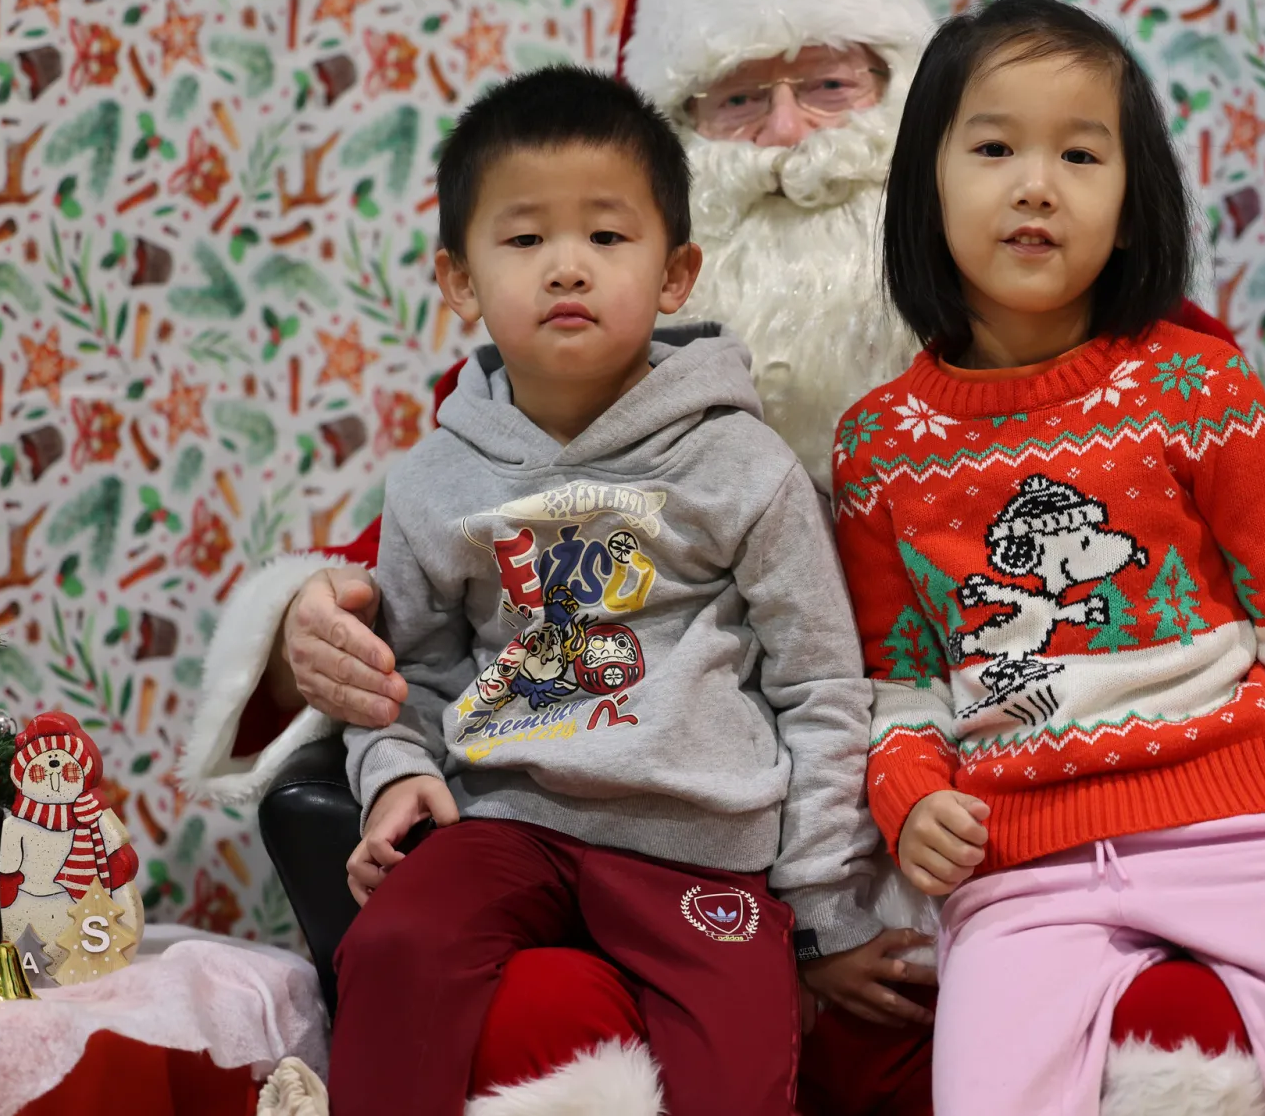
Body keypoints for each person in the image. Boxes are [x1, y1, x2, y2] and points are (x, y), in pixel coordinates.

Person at [183, 0, 1265, 1116]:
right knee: (531, 1009)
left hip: (1020, 857)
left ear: (909, 113)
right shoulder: (559, 367)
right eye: (736, 103)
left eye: (830, 85)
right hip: (692, 865)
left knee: (1195, 1025)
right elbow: (434, 578)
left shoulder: (1119, 346)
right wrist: (314, 625)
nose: (788, 140)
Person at [837, 0, 1265, 1114]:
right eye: (992, 148)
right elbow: (900, 685)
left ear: (1133, 206)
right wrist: (910, 797)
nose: (1035, 185)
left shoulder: (1199, 386)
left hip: (1248, 833)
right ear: (923, 190)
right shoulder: (877, 446)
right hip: (1021, 876)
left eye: (1079, 154)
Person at [326, 66, 880, 1116]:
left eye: (607, 236)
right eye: (525, 238)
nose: (567, 265)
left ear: (675, 274)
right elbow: (401, 674)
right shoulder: (437, 479)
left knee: (740, 1072)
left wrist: (820, 904)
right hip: (505, 822)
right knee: (393, 941)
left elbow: (820, 686)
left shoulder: (741, 463)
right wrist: (394, 773)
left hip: (699, 845)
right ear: (460, 281)